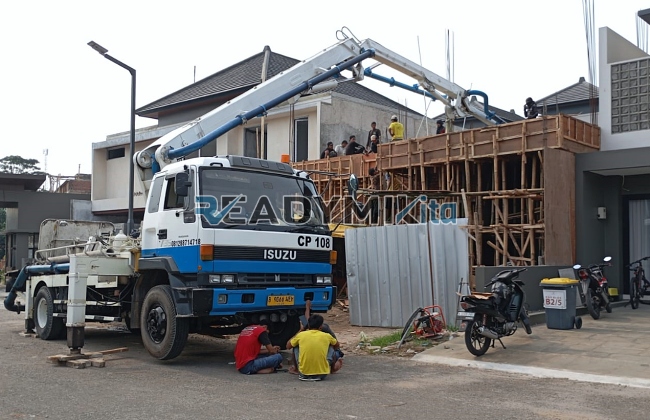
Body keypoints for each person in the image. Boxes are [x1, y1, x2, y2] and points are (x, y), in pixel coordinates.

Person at [287, 314, 342, 381]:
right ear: (321, 326)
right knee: (331, 345)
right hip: (322, 374)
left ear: (309, 325)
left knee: (295, 345)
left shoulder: (301, 335)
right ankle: (332, 369)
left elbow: (288, 346)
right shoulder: (326, 336)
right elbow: (337, 345)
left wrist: (300, 331)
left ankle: (296, 369)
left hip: (303, 374)